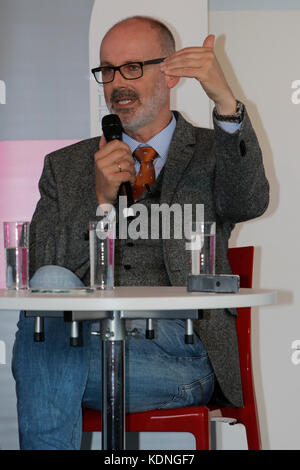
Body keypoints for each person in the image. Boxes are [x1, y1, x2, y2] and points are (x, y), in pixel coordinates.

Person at [12, 16, 269, 450]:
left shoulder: (212, 151)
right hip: (88, 337)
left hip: (180, 354)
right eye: (108, 70)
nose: (117, 84)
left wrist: (225, 100)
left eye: (132, 67)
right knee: (52, 288)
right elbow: (40, 270)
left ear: (170, 73)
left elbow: (250, 201)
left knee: (41, 358)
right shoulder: (67, 165)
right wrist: (98, 200)